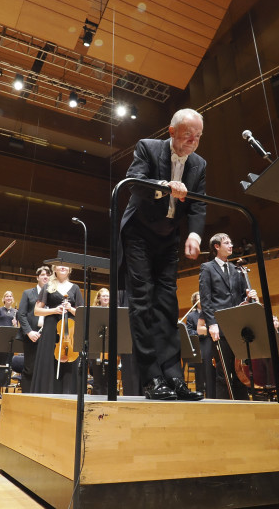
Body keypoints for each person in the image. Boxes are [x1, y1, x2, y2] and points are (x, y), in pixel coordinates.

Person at [120, 108, 205, 401]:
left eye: (198, 136)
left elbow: (197, 205)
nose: (193, 140)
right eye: (187, 134)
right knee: (142, 302)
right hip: (139, 235)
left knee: (168, 306)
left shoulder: (199, 164)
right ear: (171, 132)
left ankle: (173, 377)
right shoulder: (148, 147)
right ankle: (152, 378)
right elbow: (134, 182)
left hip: (168, 238)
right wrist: (164, 187)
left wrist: (194, 233)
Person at [199, 233, 255, 400]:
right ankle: (224, 410)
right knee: (223, 373)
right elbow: (206, 299)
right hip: (219, 326)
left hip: (237, 326)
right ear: (217, 246)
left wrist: (248, 295)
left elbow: (240, 297)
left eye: (231, 242)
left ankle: (243, 407)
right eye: (227, 243)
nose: (231, 246)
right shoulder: (207, 267)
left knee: (239, 370)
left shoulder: (236, 269)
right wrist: (211, 324)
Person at [30, 263, 84, 395]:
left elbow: (82, 313)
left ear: (70, 269)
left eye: (66, 266)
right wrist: (54, 310)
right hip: (50, 327)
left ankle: (68, 394)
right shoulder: (48, 286)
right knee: (48, 360)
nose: (63, 267)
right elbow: (37, 311)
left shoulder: (75, 288)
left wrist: (70, 308)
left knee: (69, 361)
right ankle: (46, 393)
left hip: (69, 330)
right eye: (60, 265)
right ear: (55, 269)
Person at [16, 266, 50, 391]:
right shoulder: (28, 293)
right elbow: (21, 314)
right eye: (42, 274)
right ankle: (27, 398)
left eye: (48, 275)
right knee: (30, 369)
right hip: (31, 336)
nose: (45, 277)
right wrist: (29, 332)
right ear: (37, 277)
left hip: (48, 337)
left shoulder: (52, 294)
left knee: (45, 370)